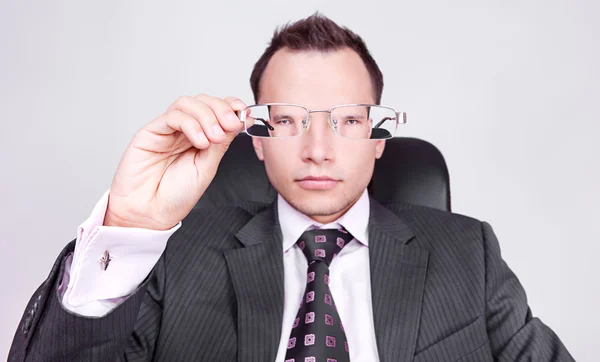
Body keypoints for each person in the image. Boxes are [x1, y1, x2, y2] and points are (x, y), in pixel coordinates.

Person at [9, 13, 573, 362]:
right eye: (289, 121)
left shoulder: (467, 253)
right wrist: (129, 227)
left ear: (379, 136)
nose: (319, 150)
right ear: (256, 138)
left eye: (349, 120)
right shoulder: (173, 253)